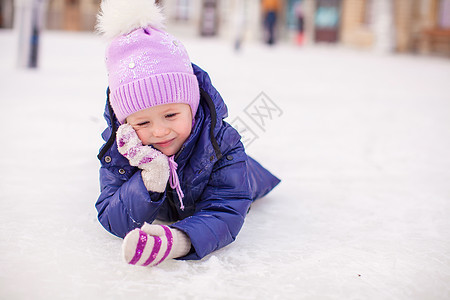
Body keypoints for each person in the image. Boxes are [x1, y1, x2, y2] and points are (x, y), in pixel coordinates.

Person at [95, 0, 280, 267]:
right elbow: (111, 216)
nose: (159, 131)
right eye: (143, 123)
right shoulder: (122, 150)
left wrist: (177, 239)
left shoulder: (222, 145)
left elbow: (225, 210)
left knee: (248, 176)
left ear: (192, 108)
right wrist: (150, 180)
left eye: (171, 115)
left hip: (241, 175)